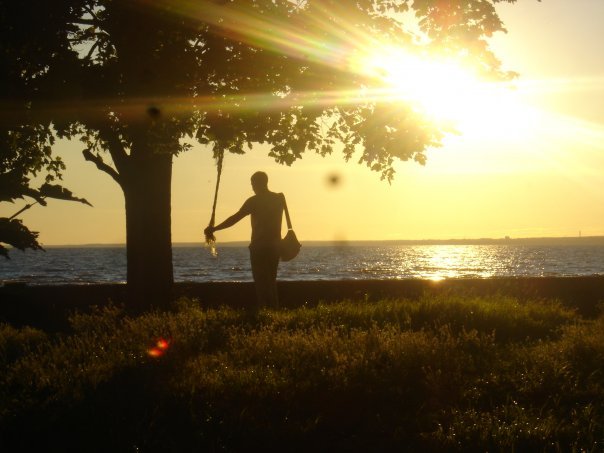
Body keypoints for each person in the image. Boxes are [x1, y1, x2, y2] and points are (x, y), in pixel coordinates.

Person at [204, 171, 285, 309]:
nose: (252, 187)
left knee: (260, 281)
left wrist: (215, 229)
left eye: (253, 184)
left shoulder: (254, 201)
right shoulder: (278, 199)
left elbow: (235, 218)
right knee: (271, 280)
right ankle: (273, 309)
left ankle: (264, 309)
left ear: (258, 183)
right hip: (275, 246)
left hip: (259, 246)